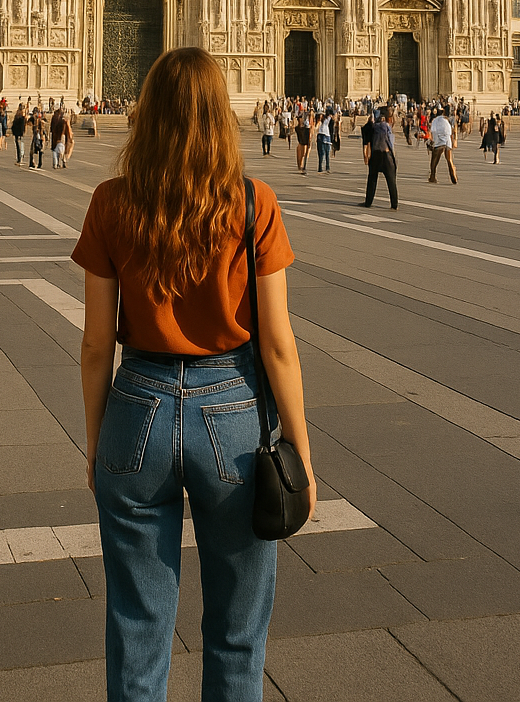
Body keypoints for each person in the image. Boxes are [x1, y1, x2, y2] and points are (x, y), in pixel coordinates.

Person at [72, 47, 314, 702]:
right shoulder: (252, 202)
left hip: (136, 412)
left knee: (136, 625)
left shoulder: (111, 201)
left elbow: (97, 344)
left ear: (146, 115)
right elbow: (278, 344)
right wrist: (302, 453)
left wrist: (99, 442)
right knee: (237, 633)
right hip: (233, 417)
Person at [364, 108, 399, 209]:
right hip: (386, 155)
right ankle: (394, 204)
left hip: (376, 155)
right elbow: (390, 142)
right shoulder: (384, 126)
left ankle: (368, 202)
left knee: (372, 179)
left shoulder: (374, 126)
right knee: (391, 180)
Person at [428, 111, 458, 185]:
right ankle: (453, 174)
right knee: (449, 159)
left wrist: (432, 140)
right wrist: (454, 140)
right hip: (447, 140)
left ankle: (432, 176)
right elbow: (452, 131)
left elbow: (432, 131)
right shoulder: (448, 120)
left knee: (435, 159)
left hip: (438, 140)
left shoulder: (434, 121)